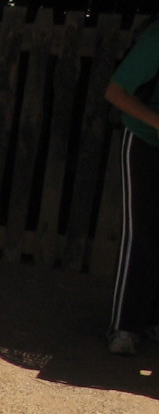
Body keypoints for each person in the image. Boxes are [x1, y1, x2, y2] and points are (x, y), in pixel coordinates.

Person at [106, 20, 159, 356]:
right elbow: (115, 92)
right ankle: (124, 328)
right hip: (145, 142)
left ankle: (152, 322)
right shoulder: (156, 39)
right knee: (142, 234)